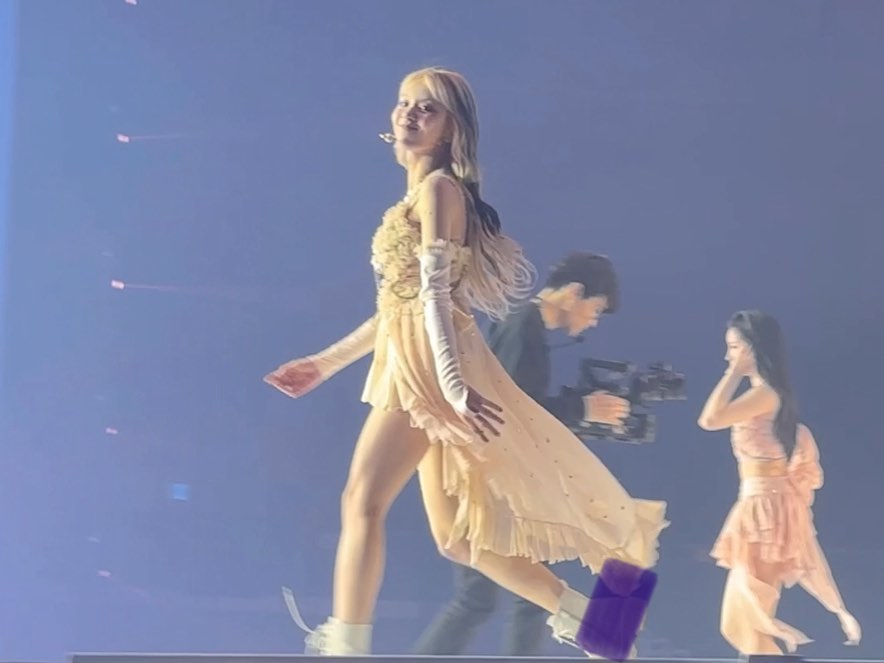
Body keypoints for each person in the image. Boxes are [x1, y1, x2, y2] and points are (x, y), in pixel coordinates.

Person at [263, 66, 668, 657]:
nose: (409, 113)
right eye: (404, 102)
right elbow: (396, 309)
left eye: (426, 107)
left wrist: (449, 387)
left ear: (451, 128)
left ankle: (346, 645)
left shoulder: (439, 191)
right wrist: (324, 364)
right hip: (417, 359)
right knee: (457, 539)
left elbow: (435, 298)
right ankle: (597, 621)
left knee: (361, 501)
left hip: (426, 370)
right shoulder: (418, 196)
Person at [414, 252, 633, 656]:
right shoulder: (522, 327)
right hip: (486, 477)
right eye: (596, 309)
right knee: (485, 596)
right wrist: (584, 408)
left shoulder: (522, 324)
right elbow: (509, 410)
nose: (593, 321)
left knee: (493, 597)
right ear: (574, 293)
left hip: (491, 473)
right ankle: (603, 630)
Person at [698, 310, 862, 655]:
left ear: (754, 349)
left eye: (734, 347)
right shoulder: (765, 394)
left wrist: (733, 373)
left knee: (745, 623)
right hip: (759, 507)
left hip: (767, 513)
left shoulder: (766, 395)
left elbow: (710, 420)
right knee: (744, 623)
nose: (728, 356)